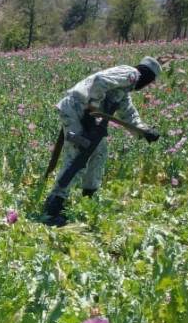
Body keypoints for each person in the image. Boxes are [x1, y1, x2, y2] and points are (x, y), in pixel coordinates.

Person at [42, 56, 162, 226]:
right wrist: (93, 107)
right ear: (147, 76)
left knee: (99, 153)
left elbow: (129, 114)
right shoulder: (131, 73)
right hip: (77, 109)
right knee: (77, 155)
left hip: (87, 115)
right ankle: (54, 206)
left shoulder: (124, 91)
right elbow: (100, 81)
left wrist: (145, 131)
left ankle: (88, 197)